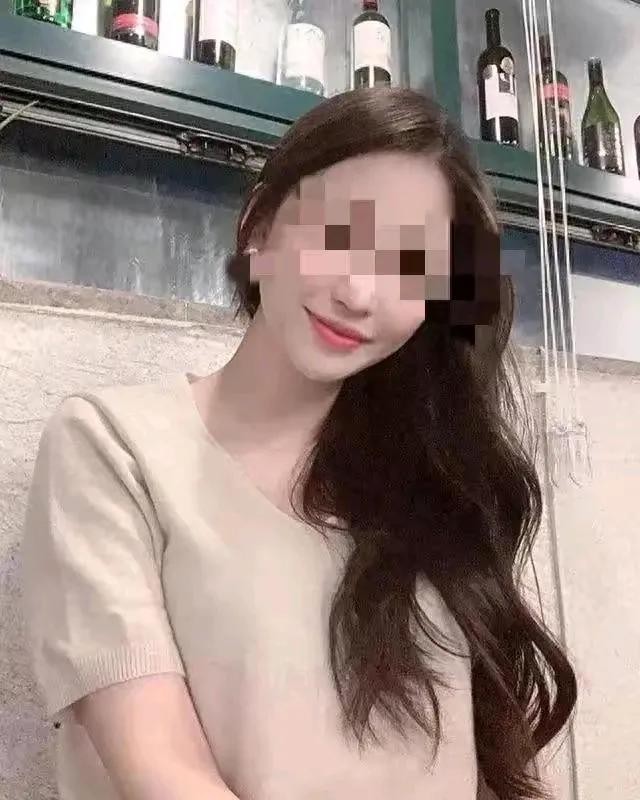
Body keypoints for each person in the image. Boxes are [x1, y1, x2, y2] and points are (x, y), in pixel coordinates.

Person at [22, 88, 576, 800]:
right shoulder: (114, 447)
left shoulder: (433, 488)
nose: (360, 293)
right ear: (259, 225)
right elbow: (163, 774)